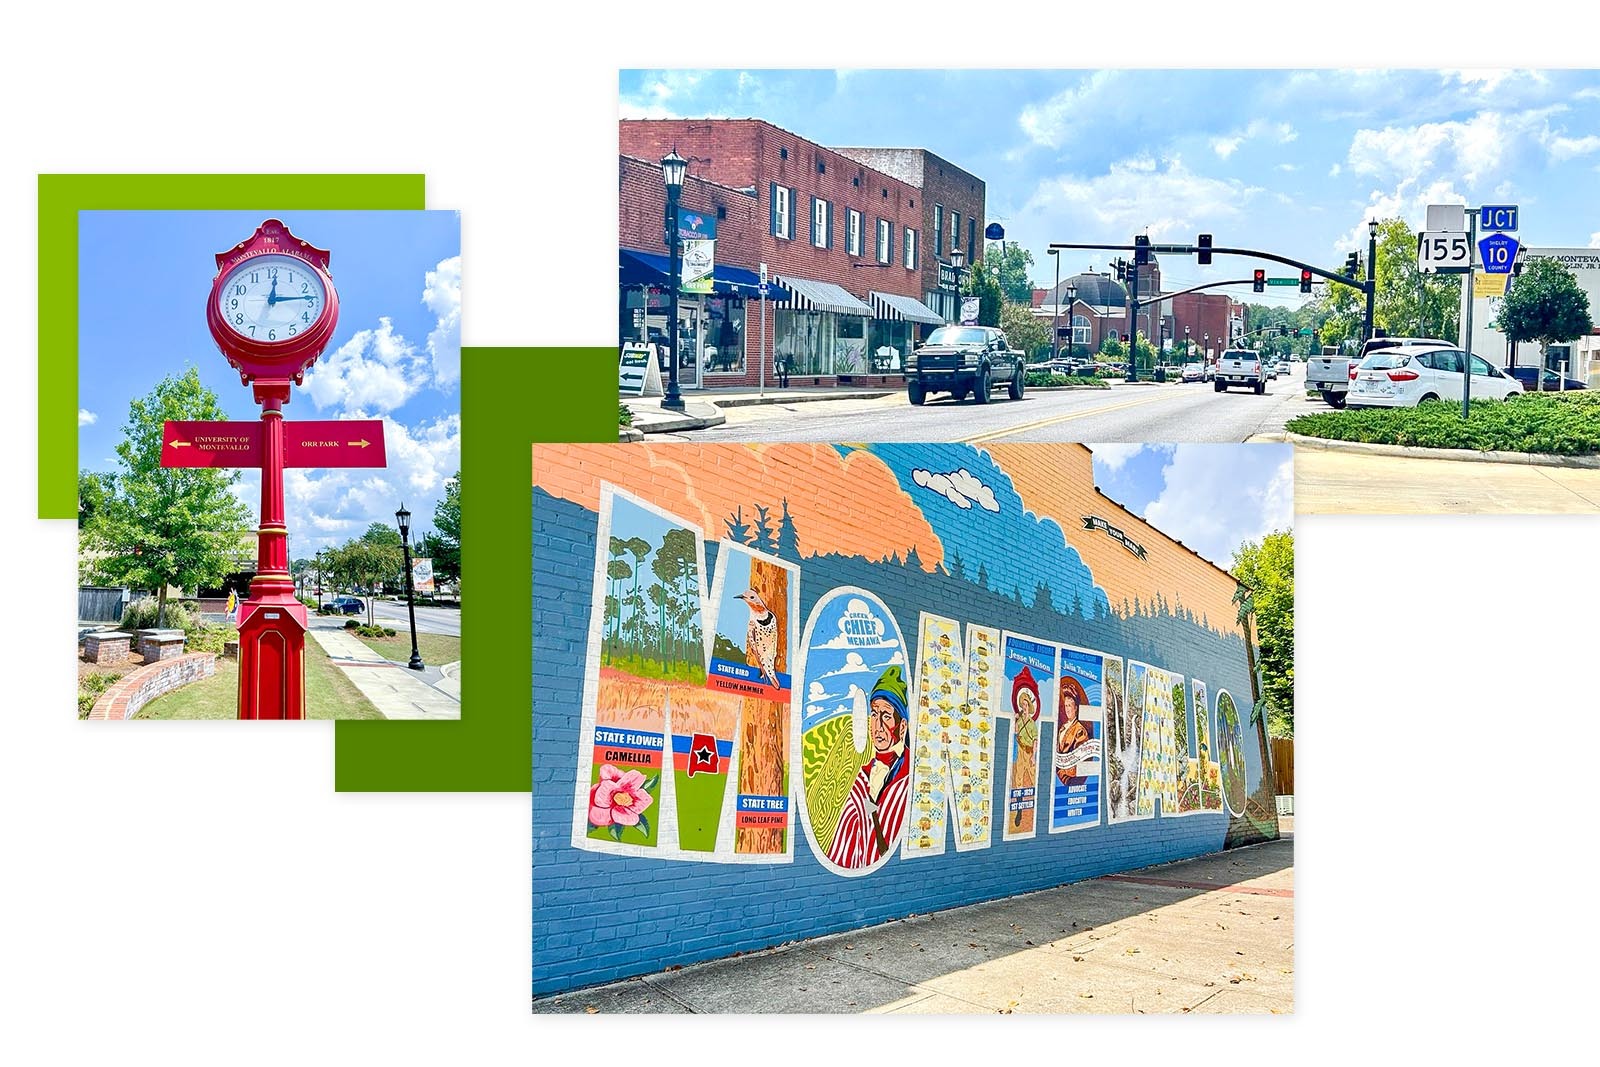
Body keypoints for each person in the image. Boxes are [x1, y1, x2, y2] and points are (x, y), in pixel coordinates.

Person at [826, 666, 911, 870]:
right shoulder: (863, 777)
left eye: (887, 716)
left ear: (902, 726)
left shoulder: (908, 775)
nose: (878, 725)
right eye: (874, 714)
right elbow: (844, 845)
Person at [1009, 666, 1041, 829]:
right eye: (1022, 704)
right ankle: (1019, 809)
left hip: (1029, 752)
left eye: (1026, 704)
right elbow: (1016, 733)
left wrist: (1034, 756)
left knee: (1032, 776)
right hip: (1020, 750)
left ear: (1030, 706)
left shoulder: (1032, 723)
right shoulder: (1020, 720)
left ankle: (1033, 809)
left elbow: (1035, 740)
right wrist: (1015, 720)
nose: (1024, 707)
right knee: (1018, 779)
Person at [1056, 675, 1091, 786]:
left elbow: (1080, 764)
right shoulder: (1062, 728)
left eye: (1070, 705)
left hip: (1070, 779)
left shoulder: (1080, 730)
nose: (1067, 709)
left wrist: (1062, 770)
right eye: (1065, 706)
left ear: (1075, 707)